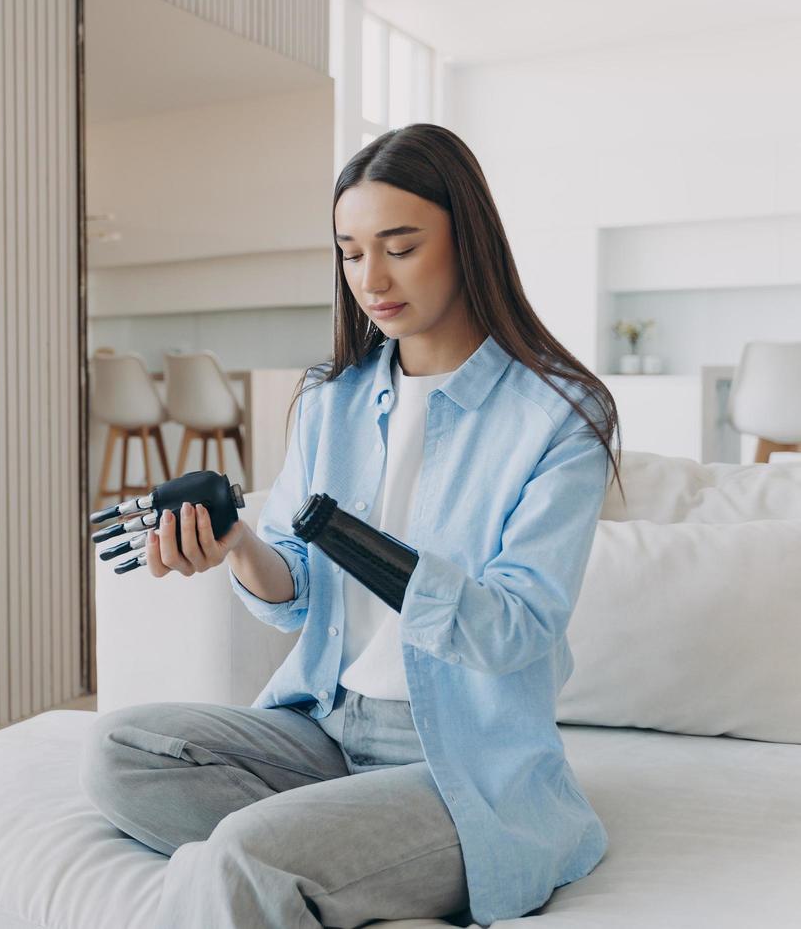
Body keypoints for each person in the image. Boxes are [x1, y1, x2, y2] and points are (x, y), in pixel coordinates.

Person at [78, 123, 623, 929]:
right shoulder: (332, 397)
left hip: (461, 763)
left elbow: (516, 627)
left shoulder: (559, 416)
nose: (371, 277)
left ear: (467, 240)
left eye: (401, 246)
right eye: (350, 250)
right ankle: (335, 840)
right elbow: (294, 593)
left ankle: (317, 846)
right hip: (325, 730)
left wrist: (356, 543)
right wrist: (240, 547)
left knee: (244, 856)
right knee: (118, 754)